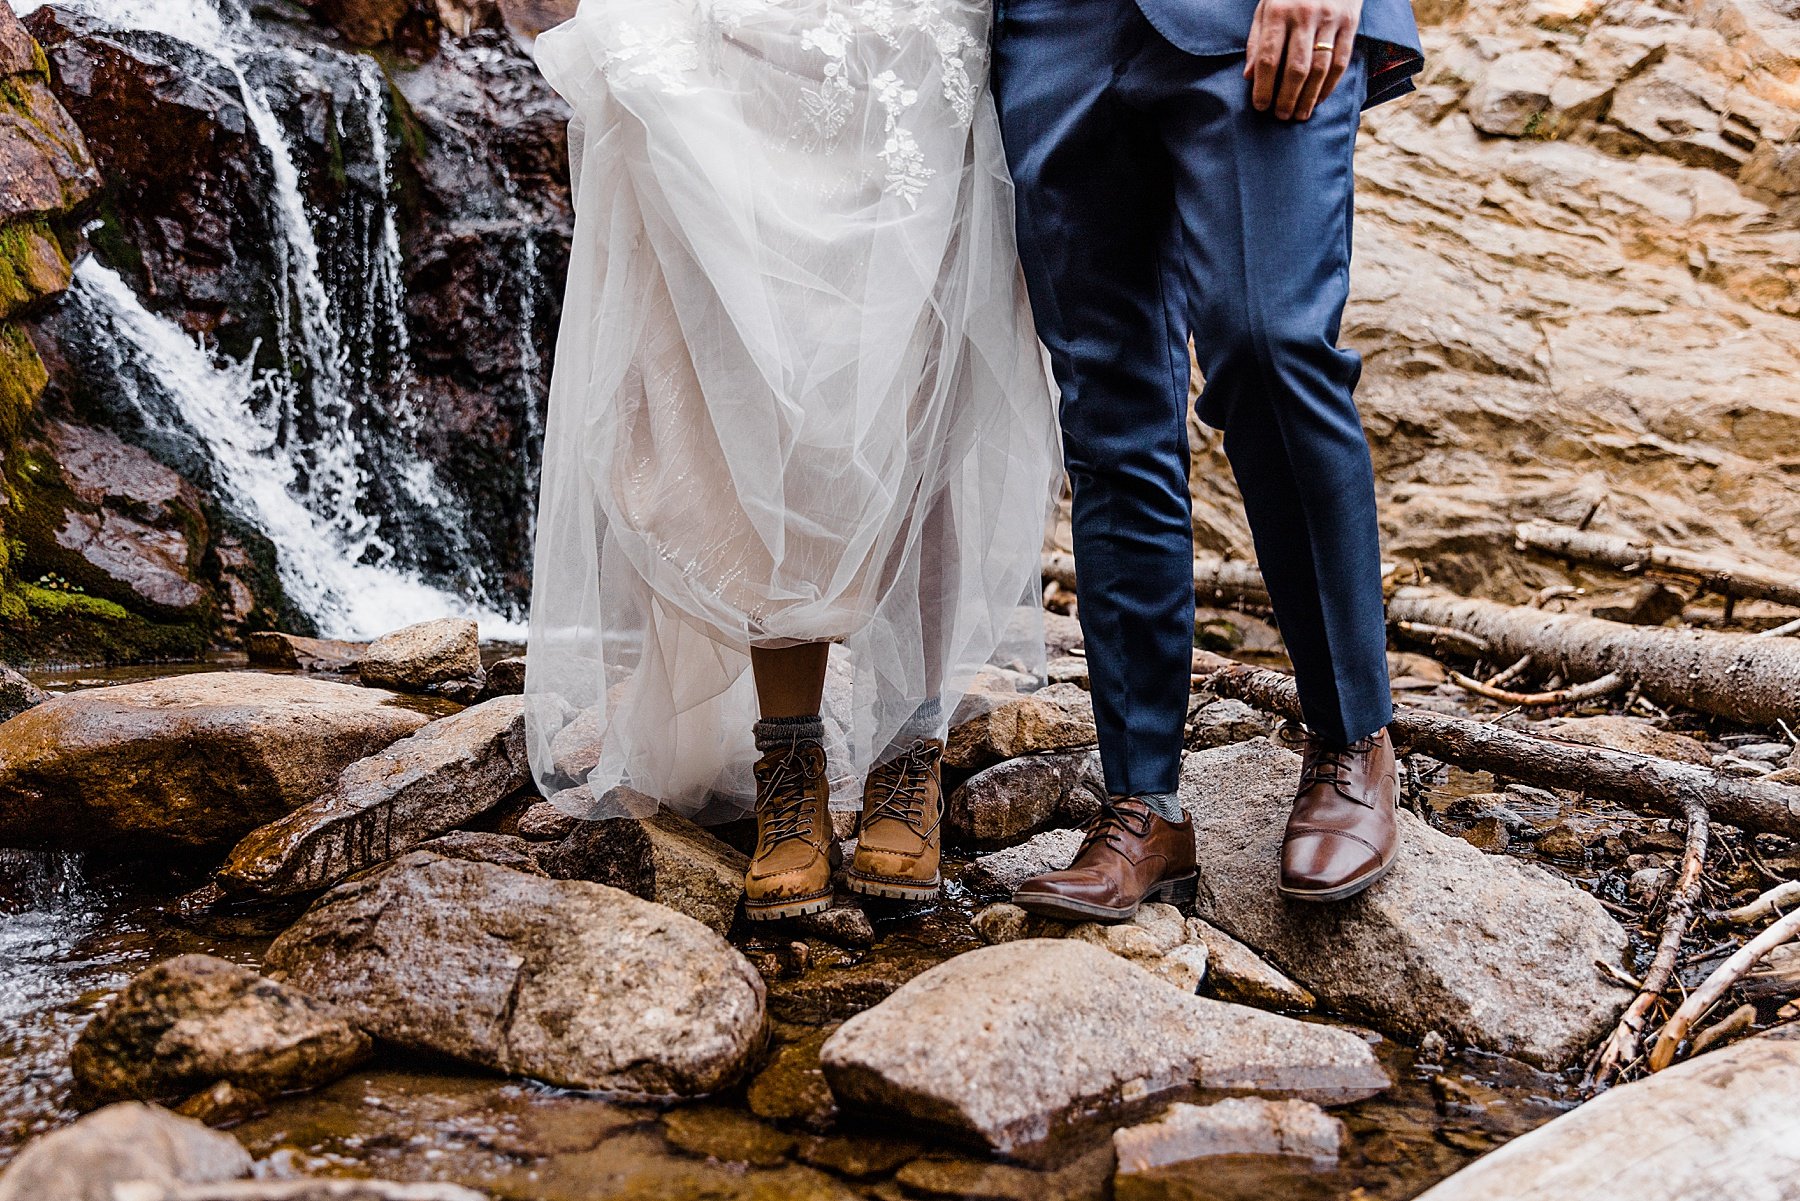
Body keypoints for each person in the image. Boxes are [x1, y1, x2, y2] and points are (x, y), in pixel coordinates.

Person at [522, 0, 1062, 920]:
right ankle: (791, 759)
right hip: (748, 38)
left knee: (914, 387)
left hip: (911, 34)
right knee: (761, 384)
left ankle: (906, 758)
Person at [996, 0, 1422, 920]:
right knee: (1107, 405)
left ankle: (1353, 736)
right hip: (1048, 32)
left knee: (1270, 344)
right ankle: (1144, 804)